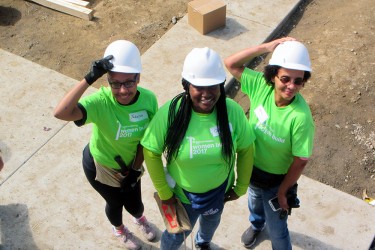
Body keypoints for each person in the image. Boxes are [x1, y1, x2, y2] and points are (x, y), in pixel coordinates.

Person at [141, 47, 255, 250]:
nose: (206, 94)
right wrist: (165, 192)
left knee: (211, 223)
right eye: (199, 87)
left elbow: (246, 148)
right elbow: (151, 151)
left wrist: (241, 186)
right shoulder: (171, 113)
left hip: (219, 193)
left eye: (213, 86)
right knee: (175, 238)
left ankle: (203, 242)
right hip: (182, 197)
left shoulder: (232, 112)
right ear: (187, 86)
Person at [54, 40, 158, 250]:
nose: (122, 90)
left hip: (130, 166)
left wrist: (136, 169)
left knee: (135, 203)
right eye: (114, 83)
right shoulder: (101, 102)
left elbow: (147, 140)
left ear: (138, 78)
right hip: (100, 166)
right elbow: (61, 112)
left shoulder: (148, 100)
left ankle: (139, 218)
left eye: (129, 82)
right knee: (115, 204)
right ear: (107, 80)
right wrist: (89, 78)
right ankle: (119, 229)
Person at [224, 37, 315, 249]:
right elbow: (230, 63)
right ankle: (256, 225)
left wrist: (283, 191)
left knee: (278, 230)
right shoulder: (260, 86)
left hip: (276, 182)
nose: (291, 86)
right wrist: (265, 48)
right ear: (273, 75)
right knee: (254, 203)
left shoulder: (300, 118)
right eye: (285, 78)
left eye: (298, 81)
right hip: (250, 169)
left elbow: (301, 160)